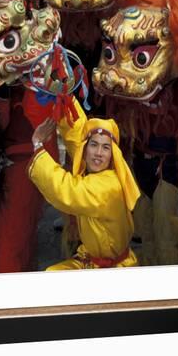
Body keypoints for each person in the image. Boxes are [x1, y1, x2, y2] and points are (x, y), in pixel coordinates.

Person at [28, 97, 141, 270]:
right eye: (93, 145)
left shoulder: (108, 186)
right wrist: (66, 98)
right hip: (90, 260)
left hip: (113, 271)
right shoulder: (95, 170)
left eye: (105, 148)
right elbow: (78, 134)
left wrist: (38, 145)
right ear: (85, 149)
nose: (98, 153)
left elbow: (67, 190)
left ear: (113, 155)